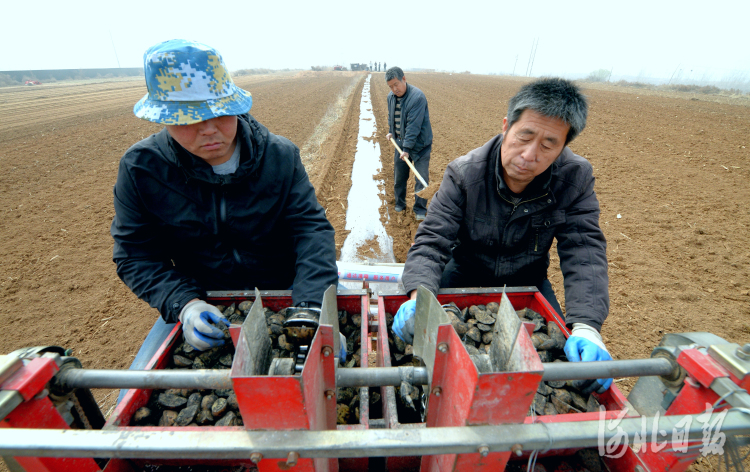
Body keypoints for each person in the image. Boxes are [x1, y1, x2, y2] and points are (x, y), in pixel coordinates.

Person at [111, 40, 338, 380]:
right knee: (137, 387)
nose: (208, 128)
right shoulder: (142, 170)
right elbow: (135, 255)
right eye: (189, 118)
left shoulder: (279, 156)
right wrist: (184, 305)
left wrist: (309, 305)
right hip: (206, 303)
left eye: (218, 112)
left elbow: (311, 230)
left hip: (288, 293)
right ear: (165, 118)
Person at [392, 78, 613, 394]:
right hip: (464, 273)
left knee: (564, 376)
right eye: (525, 136)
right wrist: (419, 296)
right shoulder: (465, 173)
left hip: (527, 283)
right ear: (507, 125)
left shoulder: (574, 179)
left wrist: (588, 327)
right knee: (426, 362)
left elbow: (584, 250)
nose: (529, 155)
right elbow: (432, 239)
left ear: (563, 146)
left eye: (549, 144)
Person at [385, 67, 433, 221]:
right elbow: (392, 116)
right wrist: (391, 131)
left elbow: (413, 126)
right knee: (399, 177)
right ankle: (400, 203)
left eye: (396, 84)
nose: (394, 89)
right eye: (391, 86)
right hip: (401, 142)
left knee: (421, 179)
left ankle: (419, 209)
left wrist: (406, 149)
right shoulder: (390, 97)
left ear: (404, 79)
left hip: (420, 146)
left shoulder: (417, 97)